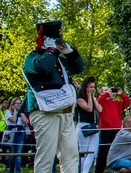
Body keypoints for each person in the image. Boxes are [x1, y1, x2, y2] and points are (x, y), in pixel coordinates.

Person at [19, 20, 85, 173]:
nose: (59, 46)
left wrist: (71, 53)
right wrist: (51, 51)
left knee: (71, 155)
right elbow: (42, 68)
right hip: (45, 113)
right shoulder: (33, 57)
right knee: (46, 157)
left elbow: (78, 67)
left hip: (66, 112)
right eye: (56, 42)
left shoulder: (60, 60)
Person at [96, 86, 131, 173]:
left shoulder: (117, 103)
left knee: (117, 151)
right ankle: (99, 170)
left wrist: (121, 94)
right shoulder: (101, 102)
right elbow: (100, 100)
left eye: (110, 90)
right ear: (102, 93)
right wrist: (107, 93)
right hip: (106, 130)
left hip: (116, 130)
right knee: (103, 152)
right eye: (105, 90)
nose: (110, 92)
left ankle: (114, 169)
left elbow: (127, 102)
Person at [77, 76, 103, 173]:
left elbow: (100, 109)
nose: (92, 89)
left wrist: (93, 97)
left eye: (94, 87)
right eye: (90, 87)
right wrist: (88, 96)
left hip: (93, 126)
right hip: (83, 126)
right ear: (86, 87)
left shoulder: (93, 98)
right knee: (84, 152)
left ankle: (85, 171)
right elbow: (89, 108)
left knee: (93, 152)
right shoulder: (79, 99)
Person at [4, 98, 29, 173]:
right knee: (12, 152)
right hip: (11, 132)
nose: (18, 105)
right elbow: (13, 119)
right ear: (13, 104)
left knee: (18, 152)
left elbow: (26, 121)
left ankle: (18, 170)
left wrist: (21, 112)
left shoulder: (21, 112)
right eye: (17, 103)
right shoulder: (7, 112)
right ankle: (11, 170)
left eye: (20, 103)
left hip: (20, 132)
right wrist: (15, 111)